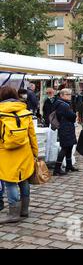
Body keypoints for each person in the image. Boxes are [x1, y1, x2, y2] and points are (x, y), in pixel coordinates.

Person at [0, 86, 38, 224]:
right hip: (25, 151)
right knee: (24, 179)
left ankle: (13, 213)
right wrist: (35, 152)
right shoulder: (26, 112)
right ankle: (24, 210)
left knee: (10, 183)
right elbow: (32, 136)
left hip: (6, 153)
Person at [53, 88, 78, 176]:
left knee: (69, 147)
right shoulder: (63, 105)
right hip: (65, 128)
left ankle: (69, 165)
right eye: (67, 94)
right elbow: (72, 116)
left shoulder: (62, 103)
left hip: (67, 127)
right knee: (65, 148)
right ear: (62, 95)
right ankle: (57, 168)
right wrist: (75, 115)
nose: (70, 96)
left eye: (70, 94)